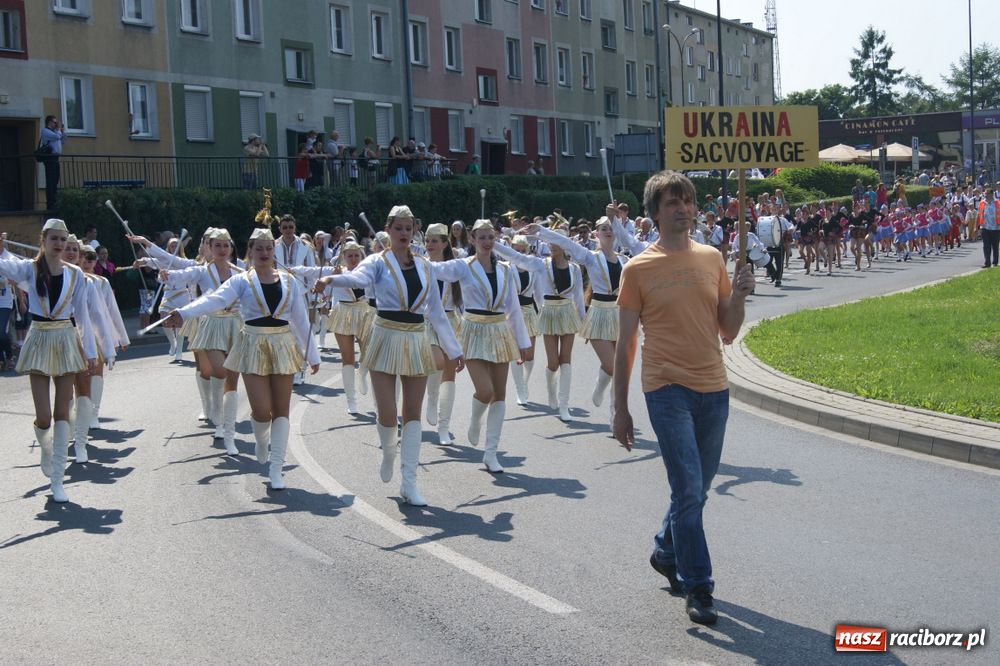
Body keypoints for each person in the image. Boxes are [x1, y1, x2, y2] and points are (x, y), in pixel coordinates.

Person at [613, 171, 753, 626]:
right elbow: (625, 342)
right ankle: (699, 587)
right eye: (672, 202)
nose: (683, 209)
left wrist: (743, 294)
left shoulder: (711, 258)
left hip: (714, 388)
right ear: (654, 213)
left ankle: (665, 549)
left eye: (688, 202)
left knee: (697, 489)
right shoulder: (638, 269)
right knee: (688, 490)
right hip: (666, 389)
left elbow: (728, 330)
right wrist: (620, 408)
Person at [314, 206, 463, 505]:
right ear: (389, 230)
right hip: (384, 336)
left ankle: (409, 482)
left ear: (414, 231)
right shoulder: (377, 261)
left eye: (409, 228)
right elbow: (359, 279)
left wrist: (454, 350)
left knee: (412, 415)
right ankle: (388, 451)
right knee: (386, 414)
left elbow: (435, 311)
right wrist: (332, 281)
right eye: (399, 228)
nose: (404, 234)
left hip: (416, 338)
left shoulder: (424, 267)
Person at [166, 228, 319, 489]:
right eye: (258, 248)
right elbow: (214, 300)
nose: (264, 253)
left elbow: (300, 321)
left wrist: (312, 355)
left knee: (281, 410)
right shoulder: (241, 281)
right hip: (252, 345)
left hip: (282, 345)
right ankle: (261, 439)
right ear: (249, 251)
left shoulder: (289, 281)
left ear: (274, 251)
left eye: (268, 248)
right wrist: (183, 312)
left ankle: (276, 468)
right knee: (261, 410)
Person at [0, 220, 98, 503]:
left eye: (63, 240)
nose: (59, 245)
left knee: (62, 413)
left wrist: (90, 352)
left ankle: (58, 479)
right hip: (40, 338)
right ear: (43, 240)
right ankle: (46, 447)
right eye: (54, 239)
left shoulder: (76, 274)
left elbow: (82, 316)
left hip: (66, 340)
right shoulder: (27, 269)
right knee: (43, 416)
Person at [432, 219, 531, 469]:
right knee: (484, 391)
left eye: (491, 238)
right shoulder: (464, 266)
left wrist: (522, 341)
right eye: (482, 238)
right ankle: (476, 420)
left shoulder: (506, 270)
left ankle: (491, 453)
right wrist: (408, 259)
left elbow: (513, 308)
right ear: (472, 239)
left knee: (500, 395)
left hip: (499, 331)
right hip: (473, 330)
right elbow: (435, 269)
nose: (487, 242)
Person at [159, 228, 245, 454]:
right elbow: (179, 273)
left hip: (236, 324)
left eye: (226, 246)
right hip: (212, 324)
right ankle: (216, 412)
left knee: (232, 379)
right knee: (219, 370)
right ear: (210, 247)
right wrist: (166, 275)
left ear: (231, 248)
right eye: (217, 245)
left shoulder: (241, 271)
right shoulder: (202, 271)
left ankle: (227, 428)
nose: (222, 250)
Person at [492, 226, 583, 421]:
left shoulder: (575, 268)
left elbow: (579, 298)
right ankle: (550, 391)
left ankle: (563, 404)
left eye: (557, 241)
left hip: (567, 313)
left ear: (565, 244)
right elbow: (518, 258)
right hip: (549, 313)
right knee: (553, 362)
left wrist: (585, 323)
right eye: (550, 242)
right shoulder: (541, 265)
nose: (553, 246)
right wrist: (493, 242)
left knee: (566, 360)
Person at [422, 224, 465, 442]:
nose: (429, 245)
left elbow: (463, 300)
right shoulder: (419, 265)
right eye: (427, 241)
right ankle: (431, 398)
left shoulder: (454, 267)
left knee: (450, 375)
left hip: (450, 321)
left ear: (445, 243)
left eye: (434, 241)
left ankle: (443, 427)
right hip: (427, 322)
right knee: (436, 361)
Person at [39, 115, 65, 210]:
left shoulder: (56, 132)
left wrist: (62, 131)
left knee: (55, 180)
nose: (56, 124)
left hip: (55, 158)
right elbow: (56, 137)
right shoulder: (45, 131)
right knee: (50, 181)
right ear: (49, 122)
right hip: (49, 159)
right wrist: (59, 131)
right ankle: (50, 204)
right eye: (54, 122)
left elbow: (62, 140)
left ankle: (54, 201)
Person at [979, 188, 999, 268]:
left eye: (987, 193)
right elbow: (980, 214)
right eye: (985, 194)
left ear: (991, 194)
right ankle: (987, 263)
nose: (985, 195)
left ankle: (995, 262)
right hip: (985, 227)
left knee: (995, 246)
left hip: (996, 228)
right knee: (986, 246)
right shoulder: (982, 203)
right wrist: (979, 227)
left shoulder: (997, 202)